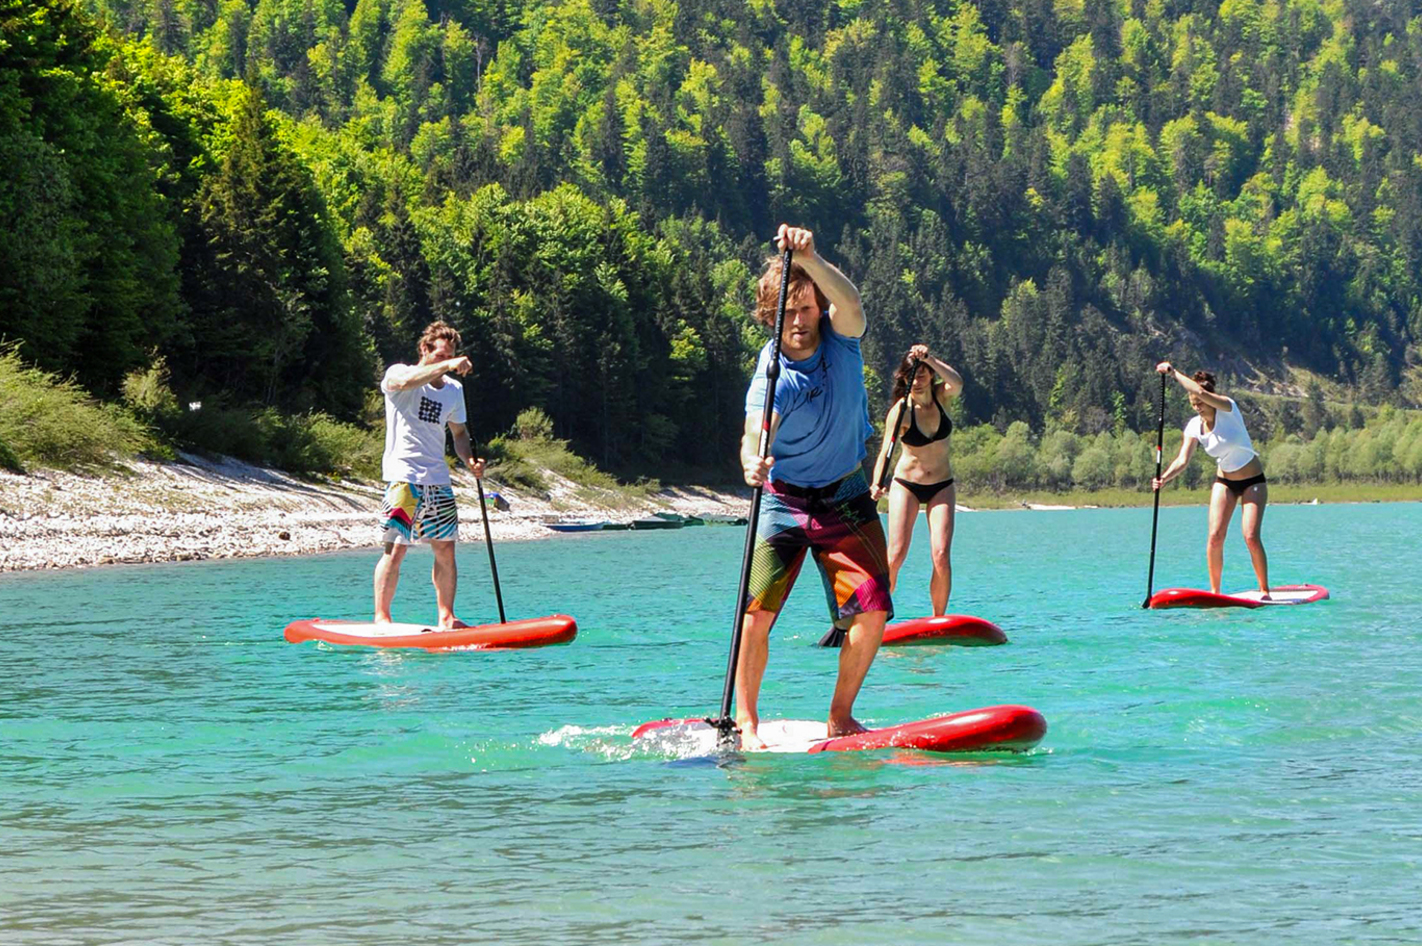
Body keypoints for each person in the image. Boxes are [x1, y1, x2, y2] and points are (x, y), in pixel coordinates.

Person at [737, 224, 892, 750]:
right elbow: (757, 430)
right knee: (756, 616)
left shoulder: (842, 339)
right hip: (783, 502)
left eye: (807, 309)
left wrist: (810, 257)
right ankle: (746, 721)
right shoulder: (771, 371)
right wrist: (750, 461)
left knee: (871, 611)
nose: (799, 322)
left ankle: (841, 717)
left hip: (846, 498)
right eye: (788, 313)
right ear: (769, 317)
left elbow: (851, 300)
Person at [373, 321, 487, 628]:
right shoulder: (399, 373)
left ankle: (446, 616)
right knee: (396, 548)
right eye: (440, 355)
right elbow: (408, 380)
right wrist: (447, 365)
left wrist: (469, 460)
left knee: (445, 550)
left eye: (450, 356)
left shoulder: (454, 390)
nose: (445, 362)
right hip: (404, 476)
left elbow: (459, 433)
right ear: (425, 350)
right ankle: (382, 618)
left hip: (438, 478)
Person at [1151, 362, 1270, 597]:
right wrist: (1163, 478)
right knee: (1215, 536)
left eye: (1200, 403)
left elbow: (1201, 392)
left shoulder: (1228, 408)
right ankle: (1215, 591)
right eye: (1193, 404)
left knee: (1250, 536)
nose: (1197, 407)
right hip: (1224, 482)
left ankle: (1264, 589)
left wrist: (1173, 373)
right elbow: (1182, 460)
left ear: (1210, 399)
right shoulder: (1194, 426)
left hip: (1252, 481)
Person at [868, 344, 964, 614]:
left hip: (941, 486)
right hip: (906, 486)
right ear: (904, 377)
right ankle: (877, 617)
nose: (919, 380)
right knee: (896, 554)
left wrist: (929, 358)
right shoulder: (901, 411)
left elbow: (957, 382)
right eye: (914, 374)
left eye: (924, 373)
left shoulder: (941, 397)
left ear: (931, 375)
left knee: (941, 555)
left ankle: (938, 619)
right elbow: (886, 449)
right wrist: (876, 483)